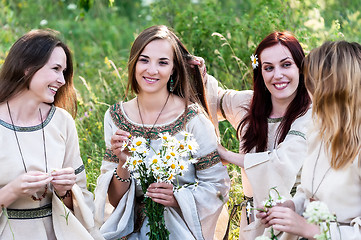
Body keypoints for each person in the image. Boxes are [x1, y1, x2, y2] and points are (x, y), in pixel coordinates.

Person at [93, 25, 230, 240]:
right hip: (131, 232)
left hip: (178, 232)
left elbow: (217, 187)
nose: (152, 70)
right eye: (144, 60)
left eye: (163, 62)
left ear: (174, 69)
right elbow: (115, 201)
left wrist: (177, 198)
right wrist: (122, 162)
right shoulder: (115, 117)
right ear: (133, 63)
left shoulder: (192, 119)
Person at [196, 31, 312, 239]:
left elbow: (280, 163)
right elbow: (213, 98)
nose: (277, 75)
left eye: (286, 65)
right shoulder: (248, 105)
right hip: (252, 215)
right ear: (260, 73)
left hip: (295, 218)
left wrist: (224, 154)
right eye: (268, 68)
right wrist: (199, 75)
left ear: (300, 68)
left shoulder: (311, 114)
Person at [0, 29, 103, 239]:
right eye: (56, 69)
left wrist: (65, 190)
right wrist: (12, 191)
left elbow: (82, 201)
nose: (62, 80)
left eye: (64, 72)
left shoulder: (62, 121)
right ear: (27, 68)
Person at [257, 40, 361, 239]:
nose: (308, 91)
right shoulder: (319, 132)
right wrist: (289, 207)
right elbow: (309, 192)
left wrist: (309, 229)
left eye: (312, 84)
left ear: (333, 91)